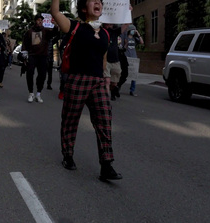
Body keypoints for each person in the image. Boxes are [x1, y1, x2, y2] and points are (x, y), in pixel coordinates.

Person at [51, 0, 123, 180]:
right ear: (84, 8)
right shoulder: (75, 26)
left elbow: (104, 59)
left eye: (100, 1)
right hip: (77, 80)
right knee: (70, 119)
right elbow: (55, 12)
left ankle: (106, 165)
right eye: (93, 1)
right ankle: (68, 155)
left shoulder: (105, 33)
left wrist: (105, 81)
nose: (98, 3)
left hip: (98, 81)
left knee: (104, 120)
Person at [22, 13, 58, 103]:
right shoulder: (29, 31)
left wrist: (56, 25)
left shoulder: (45, 31)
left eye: (41, 20)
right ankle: (31, 93)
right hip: (32, 56)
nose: (40, 21)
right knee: (29, 74)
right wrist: (24, 55)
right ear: (35, 21)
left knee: (42, 75)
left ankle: (38, 93)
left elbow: (54, 33)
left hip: (42, 56)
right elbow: (25, 43)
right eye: (38, 20)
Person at [103, 23, 129, 101]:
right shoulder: (101, 32)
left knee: (114, 83)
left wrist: (128, 12)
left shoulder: (115, 32)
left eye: (110, 24)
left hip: (115, 61)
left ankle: (113, 89)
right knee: (107, 81)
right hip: (106, 60)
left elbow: (126, 25)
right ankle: (106, 101)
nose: (108, 25)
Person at [124, 25, 144, 96]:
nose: (133, 31)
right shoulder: (125, 38)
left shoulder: (135, 38)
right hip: (127, 57)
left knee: (134, 75)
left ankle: (132, 90)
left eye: (134, 30)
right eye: (133, 30)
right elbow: (123, 46)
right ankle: (118, 86)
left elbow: (142, 42)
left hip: (134, 58)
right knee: (124, 73)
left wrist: (138, 34)